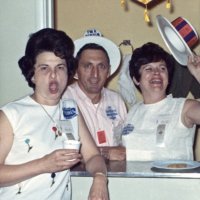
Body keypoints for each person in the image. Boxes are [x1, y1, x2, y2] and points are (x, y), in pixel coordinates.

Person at [0, 28, 108, 200]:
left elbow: (93, 156)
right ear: (32, 74)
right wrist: (43, 164)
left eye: (60, 67)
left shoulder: (70, 110)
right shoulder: (11, 114)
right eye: (44, 68)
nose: (53, 75)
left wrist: (100, 178)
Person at [121, 42, 200, 161]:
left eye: (162, 68)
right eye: (148, 68)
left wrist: (198, 73)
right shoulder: (133, 111)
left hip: (174, 179)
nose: (157, 72)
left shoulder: (184, 107)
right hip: (136, 179)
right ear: (136, 79)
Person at [63, 30, 127, 160]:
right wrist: (105, 153)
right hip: (78, 176)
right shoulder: (64, 100)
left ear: (108, 71)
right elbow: (61, 150)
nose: (95, 74)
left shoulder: (116, 100)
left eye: (101, 67)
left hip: (116, 175)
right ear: (76, 70)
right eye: (88, 66)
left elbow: (126, 144)